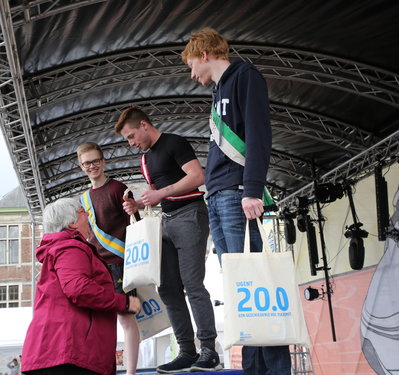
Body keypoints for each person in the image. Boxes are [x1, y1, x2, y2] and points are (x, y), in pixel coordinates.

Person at [182, 28, 291, 375]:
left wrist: (253, 190)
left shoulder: (245, 76)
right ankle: (253, 369)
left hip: (236, 193)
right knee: (241, 291)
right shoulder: (217, 92)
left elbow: (260, 135)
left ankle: (273, 369)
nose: (191, 74)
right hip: (217, 196)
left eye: (190, 65)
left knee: (256, 286)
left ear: (203, 54)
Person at [115, 107, 222, 373]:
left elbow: (198, 177)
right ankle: (187, 351)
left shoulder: (174, 142)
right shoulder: (144, 159)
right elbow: (154, 193)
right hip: (166, 222)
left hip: (190, 216)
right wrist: (138, 203)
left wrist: (161, 193)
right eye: (127, 139)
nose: (131, 143)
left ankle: (209, 350)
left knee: (192, 284)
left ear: (143, 125)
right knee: (168, 289)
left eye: (131, 136)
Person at [21, 197, 141, 375]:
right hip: (70, 354)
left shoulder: (60, 248)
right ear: (72, 223)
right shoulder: (70, 248)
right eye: (82, 212)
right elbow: (78, 288)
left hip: (56, 353)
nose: (87, 214)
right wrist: (124, 302)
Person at [76, 141, 140, 375]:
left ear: (103, 162)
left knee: (126, 319)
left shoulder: (117, 189)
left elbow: (135, 223)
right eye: (86, 163)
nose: (92, 166)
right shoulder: (83, 199)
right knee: (102, 322)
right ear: (80, 166)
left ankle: (131, 372)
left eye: (95, 161)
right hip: (98, 267)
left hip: (122, 264)